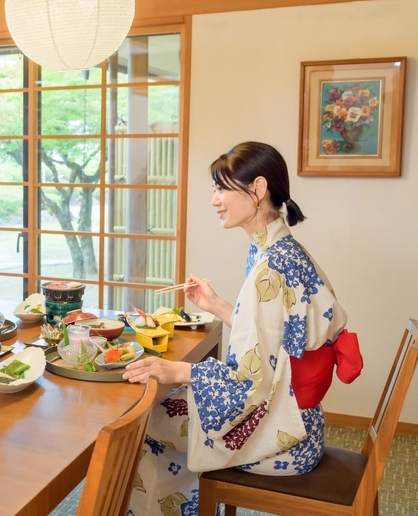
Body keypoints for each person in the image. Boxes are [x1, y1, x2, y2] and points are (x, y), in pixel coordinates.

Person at [122, 141, 362, 515]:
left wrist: (179, 370)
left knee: (148, 419)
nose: (214, 200)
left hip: (284, 437)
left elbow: (249, 383)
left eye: (221, 188)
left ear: (258, 190)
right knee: (170, 410)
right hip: (302, 420)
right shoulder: (285, 250)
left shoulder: (270, 266)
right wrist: (217, 306)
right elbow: (278, 340)